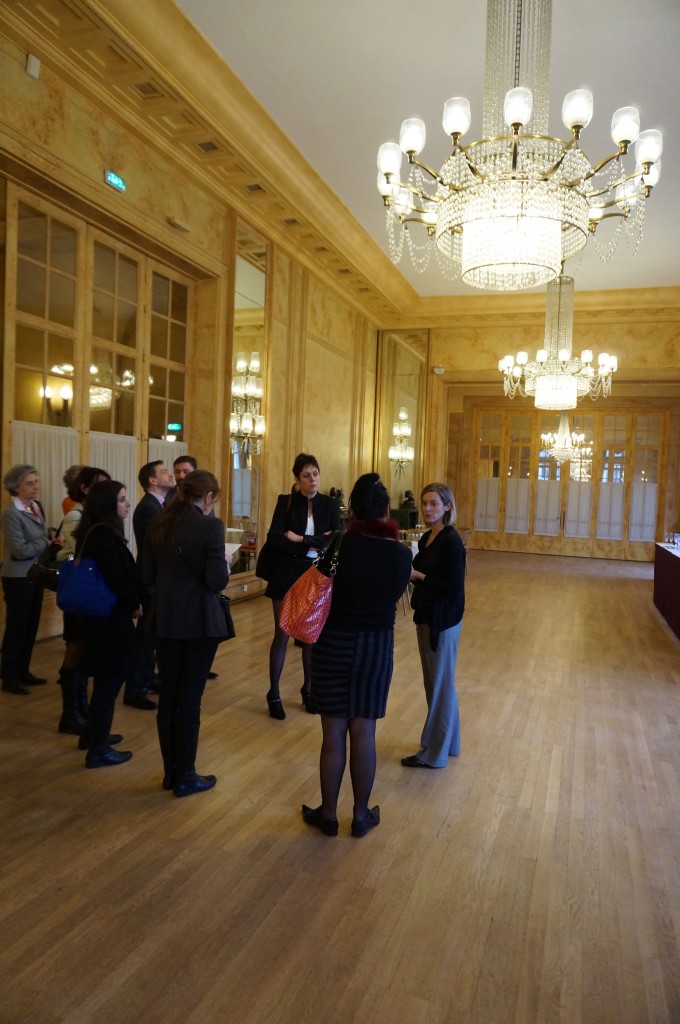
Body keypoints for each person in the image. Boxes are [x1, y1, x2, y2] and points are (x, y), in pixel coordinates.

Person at [302, 473, 412, 838]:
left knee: (333, 733)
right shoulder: (400, 554)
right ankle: (361, 815)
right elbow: (396, 594)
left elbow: (317, 589)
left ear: (352, 509)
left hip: (333, 643)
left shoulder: (338, 546)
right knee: (364, 732)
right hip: (375, 647)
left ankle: (328, 815)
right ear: (385, 510)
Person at [141, 471, 229, 797]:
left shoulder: (158, 523)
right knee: (190, 698)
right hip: (199, 622)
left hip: (165, 618)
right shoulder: (211, 526)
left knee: (168, 696)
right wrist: (225, 562)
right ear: (208, 497)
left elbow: (146, 574)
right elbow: (216, 581)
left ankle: (170, 772)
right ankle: (186, 775)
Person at [261, 453, 340, 720]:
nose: (313, 479)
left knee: (309, 636)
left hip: (314, 574)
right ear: (297, 479)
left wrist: (300, 538)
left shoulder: (329, 504)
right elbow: (275, 539)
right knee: (282, 634)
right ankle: (273, 693)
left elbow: (334, 539)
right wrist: (313, 542)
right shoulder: (285, 501)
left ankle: (308, 690)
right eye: (306, 475)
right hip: (285, 573)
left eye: (315, 473)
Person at [72, 479, 142, 768]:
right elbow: (117, 578)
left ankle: (92, 735)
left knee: (107, 680)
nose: (127, 503)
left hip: (100, 618)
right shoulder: (102, 535)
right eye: (122, 499)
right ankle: (98, 749)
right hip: (109, 620)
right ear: (107, 504)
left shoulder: (95, 530)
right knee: (108, 682)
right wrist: (134, 604)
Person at [401, 482, 466, 770]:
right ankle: (449, 744)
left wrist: (419, 576)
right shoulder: (429, 536)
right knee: (439, 684)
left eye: (434, 504)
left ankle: (433, 753)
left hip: (443, 620)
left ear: (447, 506)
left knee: (439, 686)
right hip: (428, 615)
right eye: (425, 503)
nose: (427, 509)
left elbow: (454, 588)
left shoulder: (451, 540)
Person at [55, 466, 111, 735]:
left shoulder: (92, 515)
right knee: (75, 649)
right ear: (85, 488)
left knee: (83, 650)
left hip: (89, 594)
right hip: (80, 593)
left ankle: (81, 709)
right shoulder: (75, 516)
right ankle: (71, 714)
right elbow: (67, 555)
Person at [1, 464, 62, 695]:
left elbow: (39, 534)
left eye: (36, 481)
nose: (36, 486)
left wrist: (51, 533)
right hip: (18, 577)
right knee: (17, 628)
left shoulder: (36, 506)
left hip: (35, 574)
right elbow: (20, 550)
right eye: (30, 483)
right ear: (15, 487)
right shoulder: (11, 514)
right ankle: (9, 676)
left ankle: (23, 670)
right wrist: (46, 542)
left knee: (30, 626)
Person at [124, 459, 174, 709]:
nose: (170, 474)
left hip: (156, 580)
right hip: (150, 581)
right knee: (145, 639)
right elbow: (158, 547)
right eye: (164, 472)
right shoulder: (148, 508)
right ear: (152, 480)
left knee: (151, 638)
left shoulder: (159, 505)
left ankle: (147, 679)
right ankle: (135, 690)